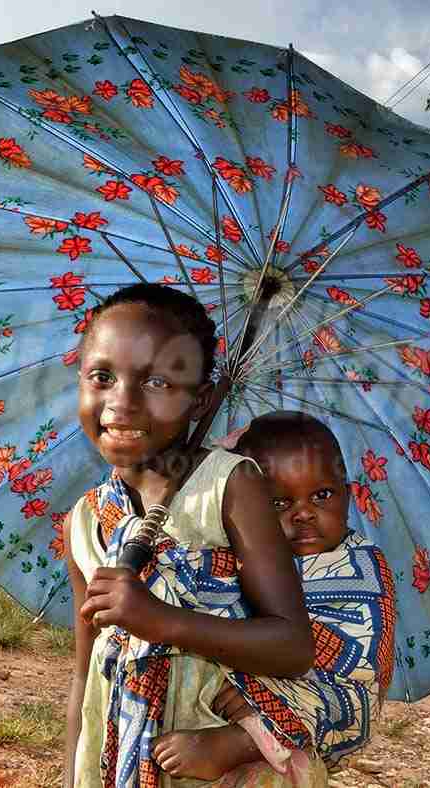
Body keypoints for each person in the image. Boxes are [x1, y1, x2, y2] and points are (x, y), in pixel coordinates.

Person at [62, 283, 325, 788]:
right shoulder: (86, 520)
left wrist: (158, 620)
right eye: (102, 377)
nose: (123, 402)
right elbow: (84, 673)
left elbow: (293, 646)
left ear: (201, 400)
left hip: (218, 762)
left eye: (158, 383)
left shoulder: (230, 487)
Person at [151, 411, 396, 780]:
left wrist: (265, 691)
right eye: (279, 504)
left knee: (337, 694)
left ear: (349, 492)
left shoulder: (362, 566)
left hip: (330, 697)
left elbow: (361, 660)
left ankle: (243, 740)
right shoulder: (244, 554)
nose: (304, 515)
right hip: (252, 672)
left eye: (322, 495)